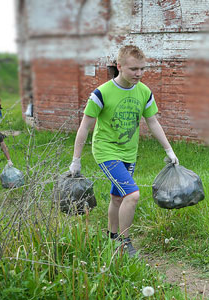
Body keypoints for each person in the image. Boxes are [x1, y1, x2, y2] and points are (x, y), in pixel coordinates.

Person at [69, 45, 179, 257]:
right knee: (132, 195)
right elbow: (85, 126)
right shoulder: (101, 94)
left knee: (118, 198)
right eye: (133, 69)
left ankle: (111, 237)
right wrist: (76, 160)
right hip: (106, 151)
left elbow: (153, 122)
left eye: (142, 69)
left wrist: (169, 150)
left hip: (129, 152)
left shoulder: (144, 92)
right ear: (119, 66)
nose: (138, 74)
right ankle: (124, 241)